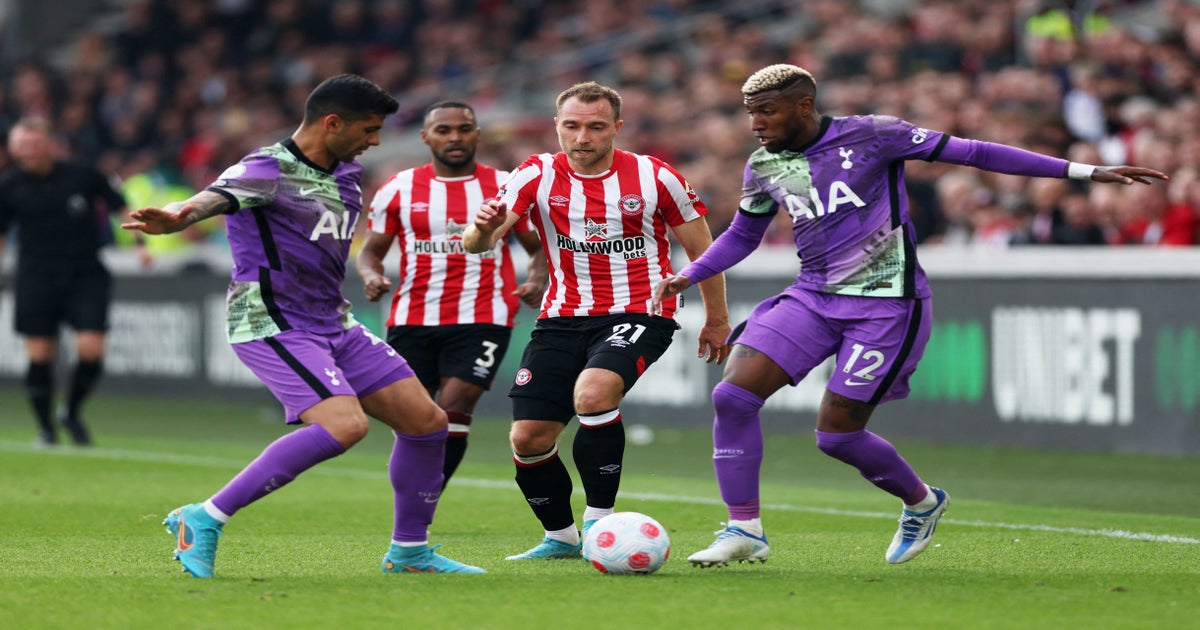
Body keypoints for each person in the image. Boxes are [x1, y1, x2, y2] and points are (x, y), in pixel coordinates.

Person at [652, 64, 1169, 567]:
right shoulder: (763, 165)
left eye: (765, 112)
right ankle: (745, 530)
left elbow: (976, 153)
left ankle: (922, 502)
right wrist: (690, 273)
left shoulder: (876, 136)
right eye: (749, 114)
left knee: (836, 437)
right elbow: (744, 235)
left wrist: (1083, 171)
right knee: (733, 396)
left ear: (803, 106)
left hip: (886, 305)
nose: (755, 125)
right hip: (813, 296)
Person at [122, 74, 485, 577]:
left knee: (429, 424)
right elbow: (213, 198)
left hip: (334, 323)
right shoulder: (265, 168)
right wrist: (179, 217)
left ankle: (409, 552)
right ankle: (202, 518)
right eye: (369, 129)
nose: (375, 141)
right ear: (332, 122)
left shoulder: (348, 174)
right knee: (345, 424)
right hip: (272, 321)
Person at [463, 81, 731, 560]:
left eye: (595, 126)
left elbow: (702, 252)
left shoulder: (655, 177)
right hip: (562, 316)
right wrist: (483, 227)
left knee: (592, 393)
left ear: (617, 128)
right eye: (572, 125)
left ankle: (601, 527)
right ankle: (561, 538)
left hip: (640, 311)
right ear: (557, 126)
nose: (582, 136)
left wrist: (717, 319)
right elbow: (477, 243)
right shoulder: (535, 173)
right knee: (528, 438)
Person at [356, 100, 547, 489]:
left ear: (477, 134)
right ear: (426, 136)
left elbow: (538, 246)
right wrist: (371, 275)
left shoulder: (506, 184)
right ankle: (414, 496)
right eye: (444, 130)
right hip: (413, 317)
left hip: (484, 316)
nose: (455, 137)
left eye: (464, 129)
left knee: (454, 409)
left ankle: (426, 496)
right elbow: (370, 252)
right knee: (416, 416)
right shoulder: (399, 188)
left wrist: (538, 278)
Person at [0, 117, 151, 447]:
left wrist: (142, 243)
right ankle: (46, 428)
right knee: (40, 353)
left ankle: (71, 410)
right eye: (21, 146)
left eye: (34, 144)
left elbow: (120, 206)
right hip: (35, 276)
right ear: (13, 150)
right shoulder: (9, 186)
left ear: (49, 144)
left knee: (91, 348)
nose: (28, 151)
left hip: (85, 273)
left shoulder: (83, 175)